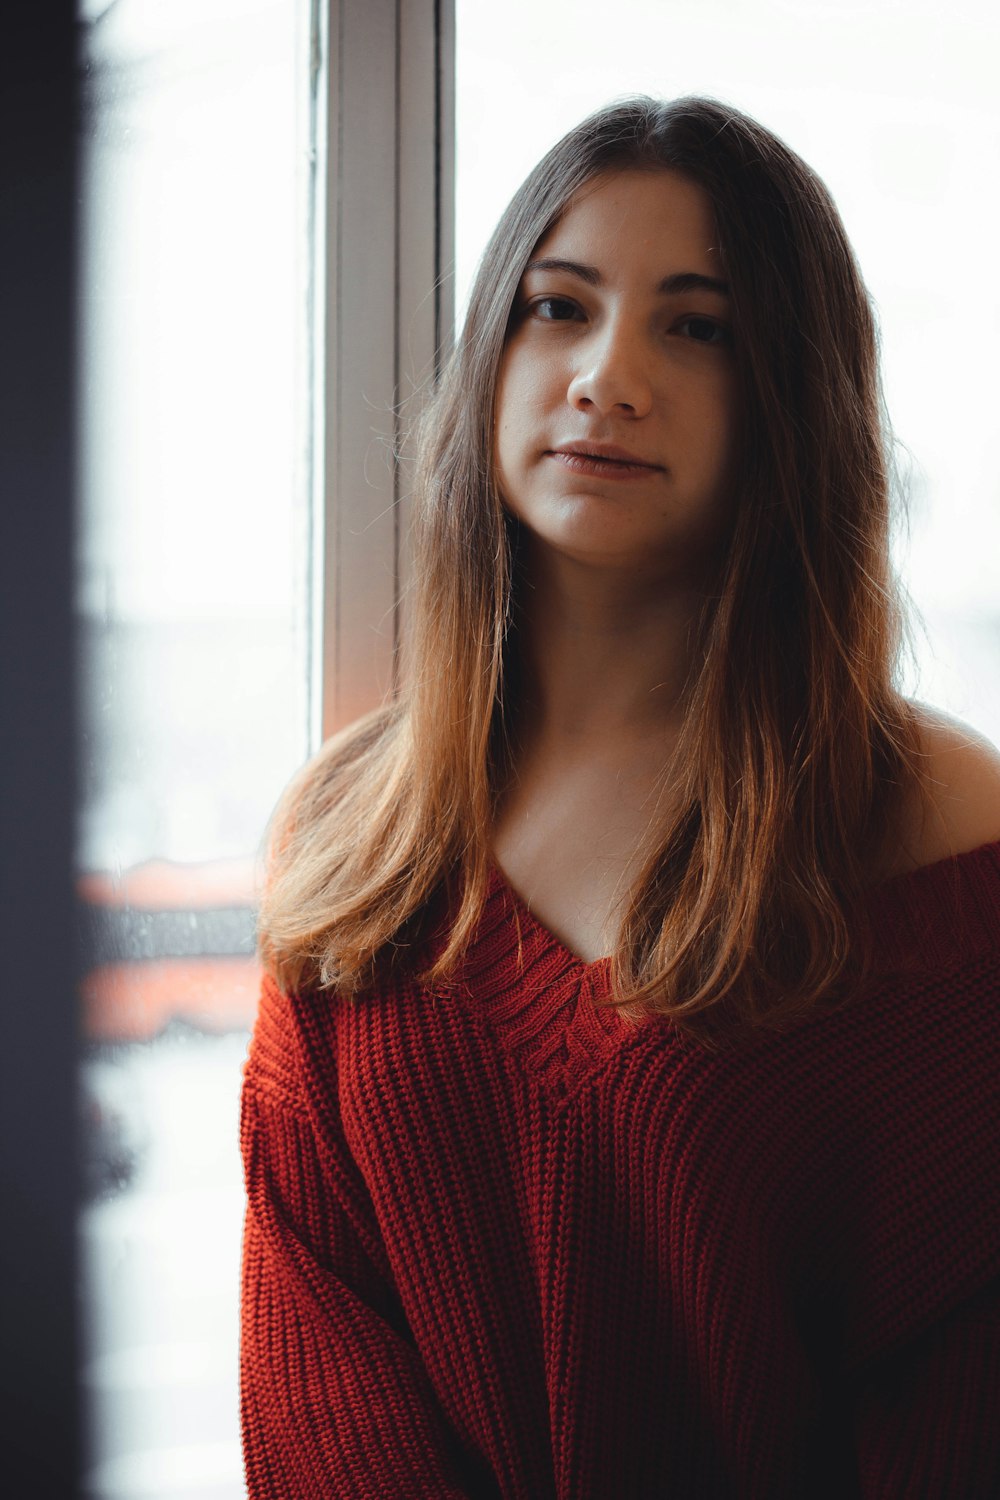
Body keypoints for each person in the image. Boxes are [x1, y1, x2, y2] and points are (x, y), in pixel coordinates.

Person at [239, 96, 1000, 1498]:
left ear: (796, 396)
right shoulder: (354, 836)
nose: (606, 374)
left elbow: (962, 1384)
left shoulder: (951, 837)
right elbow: (322, 1379)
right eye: (557, 306)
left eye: (695, 325)